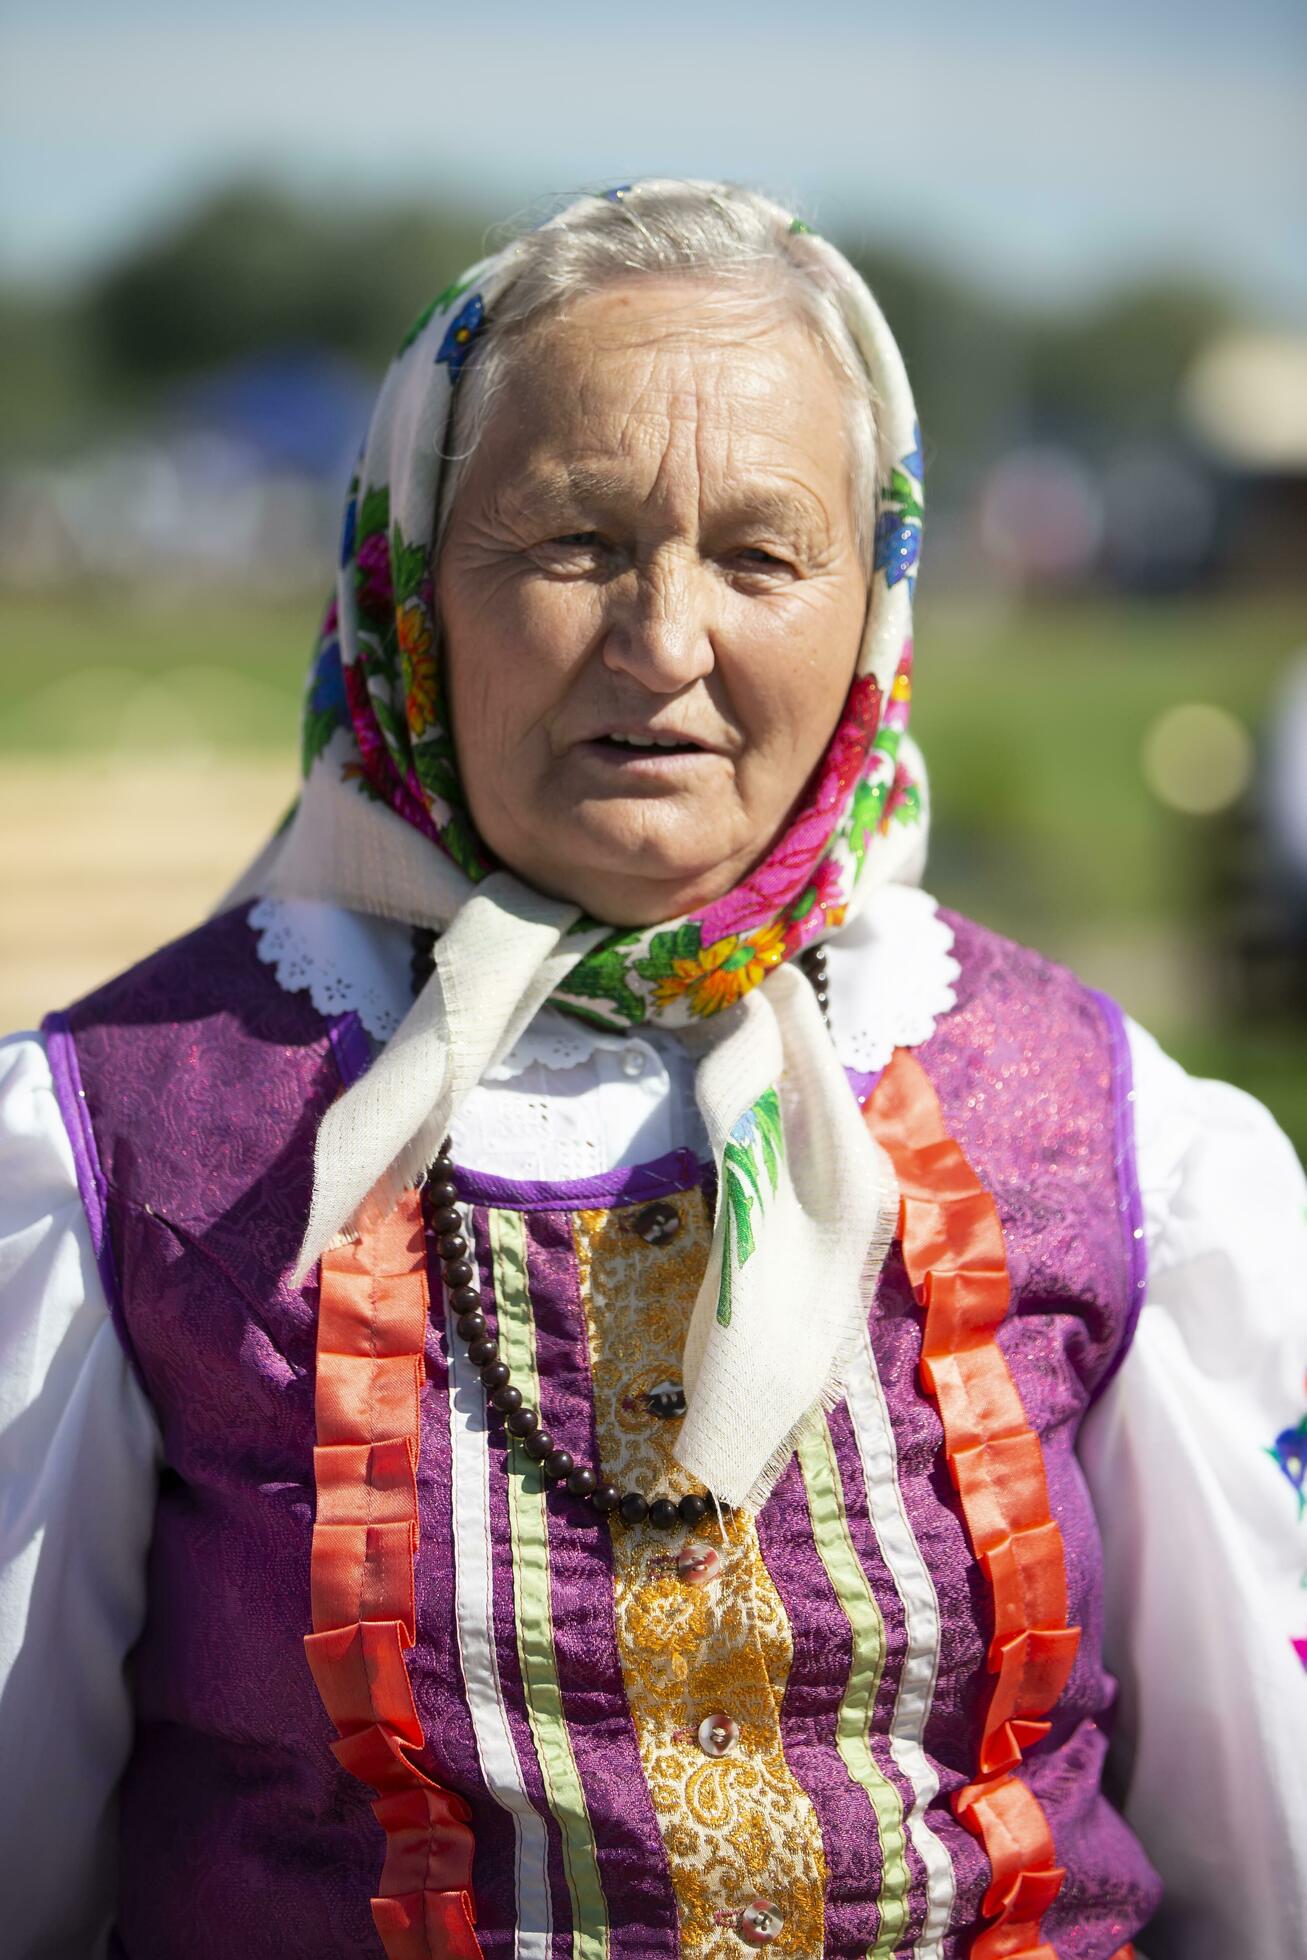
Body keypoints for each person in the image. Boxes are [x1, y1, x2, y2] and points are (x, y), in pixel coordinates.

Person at [0, 179, 1303, 1960]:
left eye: (761, 556)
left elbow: (1272, 1852)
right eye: (570, 543)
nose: (667, 642)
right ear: (410, 579)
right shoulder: (123, 1142)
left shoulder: (1107, 1129)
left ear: (875, 601)